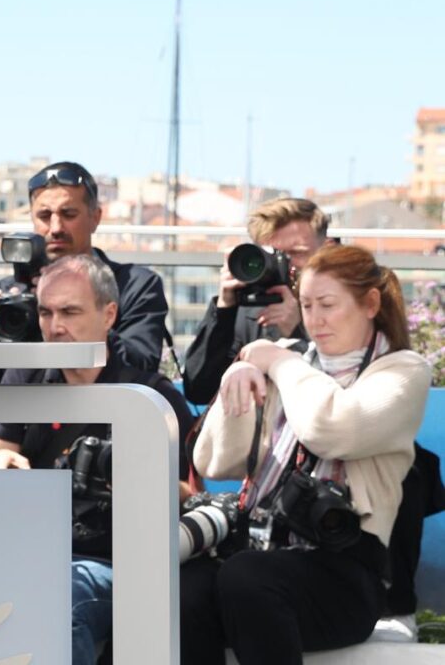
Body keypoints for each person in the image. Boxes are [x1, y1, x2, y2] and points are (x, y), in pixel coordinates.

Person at [180, 244, 430, 663]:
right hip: (259, 549)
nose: (315, 319)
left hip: (344, 573)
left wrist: (277, 359)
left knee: (249, 578)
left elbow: (332, 430)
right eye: (308, 305)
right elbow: (215, 462)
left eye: (328, 305)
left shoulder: (403, 370)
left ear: (370, 304)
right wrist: (240, 378)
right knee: (182, 591)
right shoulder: (291, 365)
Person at [0, 253, 195, 665]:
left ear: (109, 314)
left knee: (60, 606)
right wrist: (2, 468)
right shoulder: (24, 376)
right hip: (30, 553)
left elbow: (191, 493)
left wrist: (130, 481)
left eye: (70, 312)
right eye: (45, 312)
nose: (54, 327)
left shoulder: (151, 396)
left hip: (117, 561)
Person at [0, 161, 170, 374]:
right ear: (32, 219)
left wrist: (86, 318)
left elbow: (141, 367)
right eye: (44, 216)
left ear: (95, 218)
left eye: (68, 214)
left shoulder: (137, 285)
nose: (56, 228)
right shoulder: (8, 294)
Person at [181, 197, 326, 406]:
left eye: (296, 253)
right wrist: (223, 309)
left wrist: (298, 329)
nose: (283, 263)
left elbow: (335, 390)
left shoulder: (341, 305)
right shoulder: (247, 307)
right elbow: (198, 390)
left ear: (324, 251)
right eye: (273, 255)